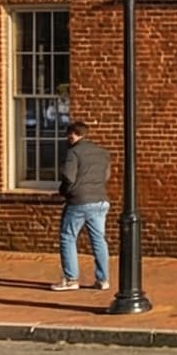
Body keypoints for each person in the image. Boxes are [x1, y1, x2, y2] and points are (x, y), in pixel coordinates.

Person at [52, 120, 112, 293]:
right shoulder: (102, 153)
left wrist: (64, 191)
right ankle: (103, 279)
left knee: (67, 237)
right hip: (100, 200)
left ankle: (71, 279)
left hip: (79, 201)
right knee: (99, 239)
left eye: (68, 135)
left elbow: (69, 177)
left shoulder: (74, 152)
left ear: (73, 134)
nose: (67, 138)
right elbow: (106, 175)